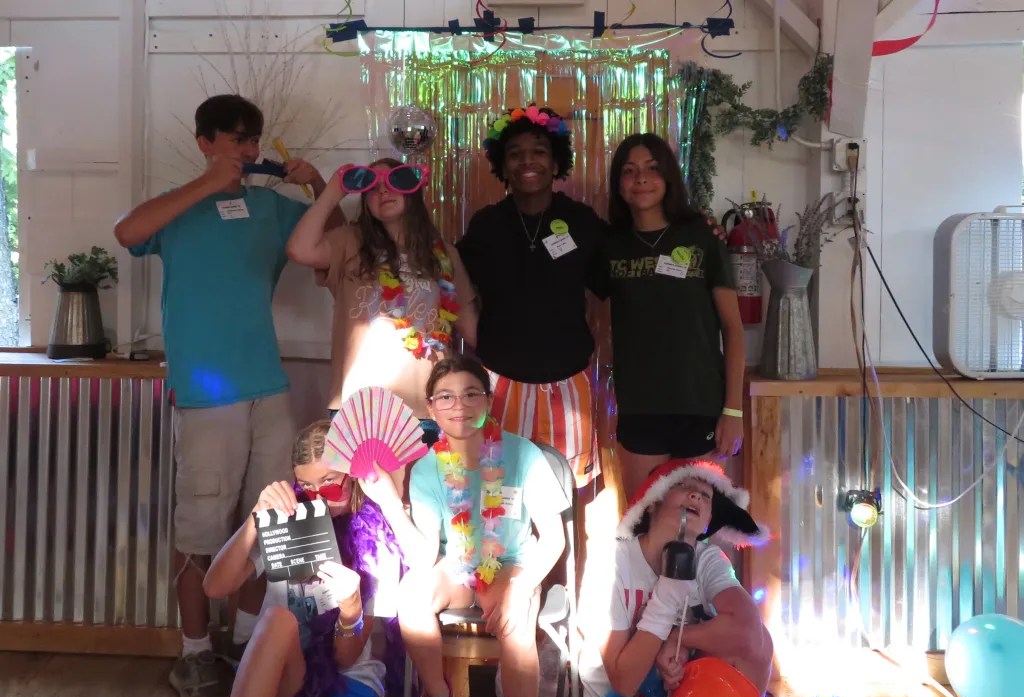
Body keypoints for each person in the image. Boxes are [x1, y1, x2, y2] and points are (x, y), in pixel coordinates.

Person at [113, 94, 342, 697]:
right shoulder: (177, 208)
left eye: (252, 139)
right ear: (205, 142)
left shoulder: (271, 207)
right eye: (235, 138)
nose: (248, 148)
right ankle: (193, 655)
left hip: (268, 386)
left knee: (270, 522)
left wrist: (318, 183)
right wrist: (208, 184)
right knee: (200, 524)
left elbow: (343, 249)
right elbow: (127, 232)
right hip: (206, 395)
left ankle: (244, 645)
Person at [358, 355, 569, 697]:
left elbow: (554, 538)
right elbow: (424, 557)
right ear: (431, 407)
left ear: (488, 401)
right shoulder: (426, 469)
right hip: (455, 564)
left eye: (471, 394)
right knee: (411, 595)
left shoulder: (523, 455)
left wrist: (520, 588)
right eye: (446, 397)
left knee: (517, 621)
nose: (459, 405)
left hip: (510, 563)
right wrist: (389, 503)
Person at [204, 420, 407, 697]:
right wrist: (255, 518)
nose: (319, 498)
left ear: (354, 475)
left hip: (349, 681)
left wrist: (351, 608)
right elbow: (215, 586)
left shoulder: (377, 537)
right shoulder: (288, 520)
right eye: (307, 487)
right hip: (284, 673)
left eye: (329, 484)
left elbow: (345, 660)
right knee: (278, 621)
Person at [577, 458, 773, 697]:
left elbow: (749, 632)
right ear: (653, 502)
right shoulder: (611, 561)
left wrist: (676, 639)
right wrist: (668, 591)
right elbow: (624, 683)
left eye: (706, 496)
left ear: (708, 522)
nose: (696, 496)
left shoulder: (708, 558)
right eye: (683, 486)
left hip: (682, 695)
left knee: (760, 643)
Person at [457, 105, 605, 489]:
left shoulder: (582, 221)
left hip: (567, 384)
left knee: (567, 493)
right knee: (499, 492)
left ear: (556, 163)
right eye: (515, 153)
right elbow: (454, 285)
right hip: (501, 383)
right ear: (502, 166)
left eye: (539, 151)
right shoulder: (486, 225)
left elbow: (614, 280)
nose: (527, 161)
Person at [596, 133, 746, 501]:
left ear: (668, 176)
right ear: (619, 183)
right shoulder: (609, 244)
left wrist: (733, 411)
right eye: (629, 171)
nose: (641, 179)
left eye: (652, 168)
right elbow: (597, 324)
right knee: (644, 520)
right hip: (639, 408)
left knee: (699, 522)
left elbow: (733, 328)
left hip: (701, 405)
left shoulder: (701, 236)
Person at [286, 156, 478, 423]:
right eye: (373, 187)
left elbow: (471, 329)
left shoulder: (444, 254)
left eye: (394, 180)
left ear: (412, 189)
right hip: (361, 407)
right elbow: (299, 249)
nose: (384, 190)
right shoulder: (349, 242)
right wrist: (333, 191)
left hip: (431, 406)